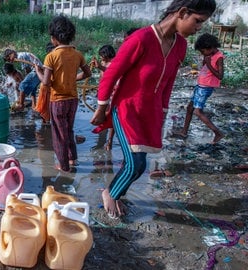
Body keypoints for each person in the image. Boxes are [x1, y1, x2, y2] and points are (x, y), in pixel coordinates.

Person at [90, 0, 217, 219]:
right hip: (126, 109)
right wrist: (102, 107)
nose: (198, 29)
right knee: (135, 164)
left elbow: (168, 82)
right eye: (197, 21)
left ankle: (117, 194)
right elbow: (112, 74)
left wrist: (163, 114)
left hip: (148, 113)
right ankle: (110, 194)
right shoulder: (141, 39)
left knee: (140, 166)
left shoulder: (180, 46)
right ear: (182, 13)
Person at [35, 15, 92, 172]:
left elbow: (46, 83)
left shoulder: (51, 56)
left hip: (58, 101)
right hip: (73, 100)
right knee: (69, 129)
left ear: (54, 39)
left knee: (59, 134)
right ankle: (72, 159)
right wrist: (73, 78)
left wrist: (38, 72)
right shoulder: (77, 54)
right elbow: (88, 74)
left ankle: (64, 165)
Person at [176, 33, 224, 143]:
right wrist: (205, 62)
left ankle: (218, 133)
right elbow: (205, 69)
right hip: (200, 86)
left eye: (203, 51)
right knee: (189, 108)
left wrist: (209, 64)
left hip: (205, 88)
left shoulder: (219, 57)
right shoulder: (209, 55)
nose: (202, 53)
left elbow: (220, 76)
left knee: (198, 112)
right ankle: (184, 132)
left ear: (211, 47)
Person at [91, 45, 116, 150]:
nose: (101, 57)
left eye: (102, 55)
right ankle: (102, 134)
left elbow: (111, 72)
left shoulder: (114, 63)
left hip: (112, 92)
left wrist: (100, 67)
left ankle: (109, 140)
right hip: (102, 91)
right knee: (103, 114)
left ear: (106, 54)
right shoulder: (102, 63)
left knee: (110, 115)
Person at [34, 42, 57, 124]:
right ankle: (47, 129)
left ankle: (46, 129)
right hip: (50, 89)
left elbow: (45, 81)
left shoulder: (50, 57)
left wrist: (37, 70)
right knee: (47, 111)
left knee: (46, 110)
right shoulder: (57, 57)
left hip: (48, 88)